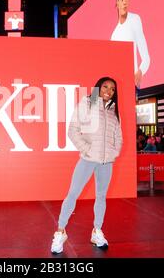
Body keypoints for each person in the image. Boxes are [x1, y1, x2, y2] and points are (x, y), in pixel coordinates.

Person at [50, 77, 123, 254]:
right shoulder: (87, 103)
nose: (109, 90)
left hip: (106, 162)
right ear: (98, 87)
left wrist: (114, 152)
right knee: (72, 194)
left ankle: (97, 231)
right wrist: (86, 149)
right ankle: (60, 232)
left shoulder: (114, 111)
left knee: (101, 196)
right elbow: (72, 129)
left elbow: (118, 136)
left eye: (112, 89)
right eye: (105, 86)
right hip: (88, 158)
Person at [110, 0, 150, 88]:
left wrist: (139, 72)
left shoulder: (135, 19)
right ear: (117, 2)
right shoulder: (114, 35)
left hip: (133, 85)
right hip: (119, 86)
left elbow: (146, 57)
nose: (125, 1)